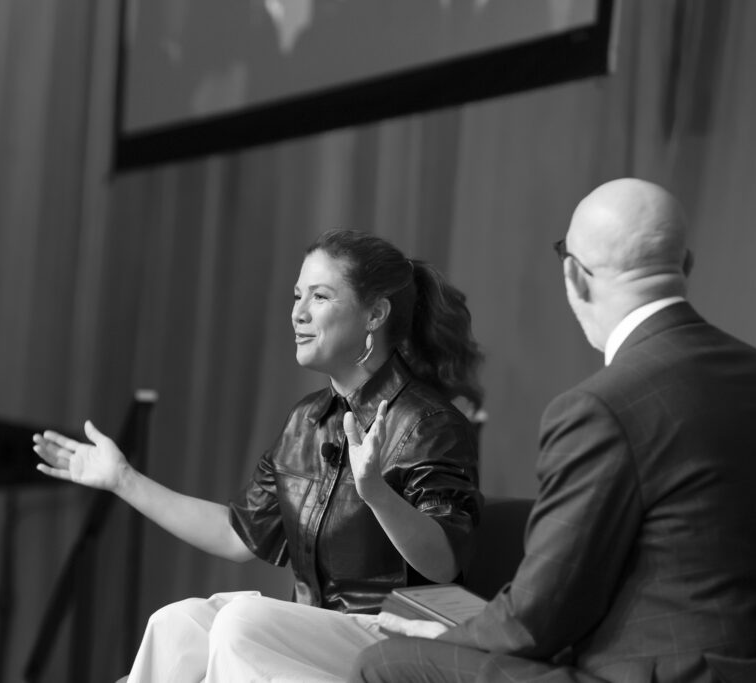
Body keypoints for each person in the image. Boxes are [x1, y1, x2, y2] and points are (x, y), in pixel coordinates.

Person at [350, 178, 756, 682]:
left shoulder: (601, 407)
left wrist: (452, 636)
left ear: (575, 276)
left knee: (385, 664)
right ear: (686, 265)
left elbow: (540, 616)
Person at [33, 229, 484, 681]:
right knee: (175, 623)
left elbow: (444, 562)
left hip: (396, 638)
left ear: (375, 315)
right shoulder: (305, 421)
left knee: (242, 624)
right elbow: (237, 536)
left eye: (320, 297)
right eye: (296, 296)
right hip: (315, 628)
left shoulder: (429, 422)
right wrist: (123, 479)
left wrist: (376, 493)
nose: (298, 313)